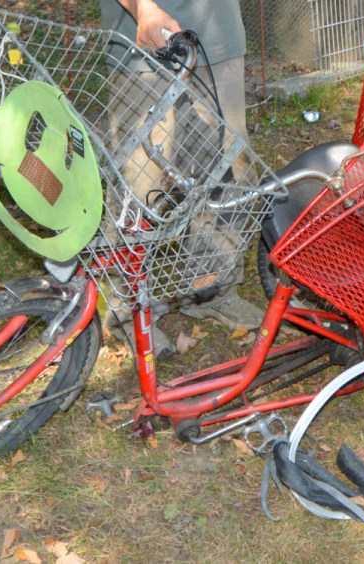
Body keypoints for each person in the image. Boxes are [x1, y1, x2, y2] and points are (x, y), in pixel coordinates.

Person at [100, 0, 263, 356]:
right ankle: (127, 312)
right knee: (140, 182)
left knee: (227, 175)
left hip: (219, 41)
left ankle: (211, 289)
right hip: (143, 43)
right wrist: (142, 7)